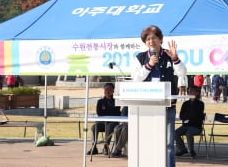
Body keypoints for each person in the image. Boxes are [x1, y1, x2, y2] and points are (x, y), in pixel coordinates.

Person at [132, 25, 187, 167]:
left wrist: (175, 59)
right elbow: (136, 78)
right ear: (145, 42)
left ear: (160, 40)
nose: (151, 41)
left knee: (169, 143)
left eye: (154, 38)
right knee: (149, 142)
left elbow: (182, 73)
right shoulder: (140, 57)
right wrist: (149, 65)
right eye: (148, 39)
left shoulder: (169, 55)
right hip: (147, 107)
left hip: (168, 106)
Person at [87, 82, 121, 155]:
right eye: (106, 89)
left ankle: (106, 146)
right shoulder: (100, 102)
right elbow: (99, 113)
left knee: (109, 127)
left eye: (109, 89)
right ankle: (94, 147)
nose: (107, 91)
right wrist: (109, 111)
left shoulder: (116, 101)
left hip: (113, 123)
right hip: (103, 122)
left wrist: (107, 112)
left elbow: (117, 112)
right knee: (94, 127)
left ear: (113, 91)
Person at [175, 86, 205, 158]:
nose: (189, 92)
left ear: (197, 93)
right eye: (189, 91)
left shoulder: (200, 104)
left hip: (196, 126)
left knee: (189, 132)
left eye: (191, 91)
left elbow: (197, 115)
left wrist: (189, 116)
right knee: (175, 133)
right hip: (185, 125)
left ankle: (191, 150)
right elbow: (181, 116)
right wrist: (189, 116)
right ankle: (182, 149)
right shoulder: (185, 103)